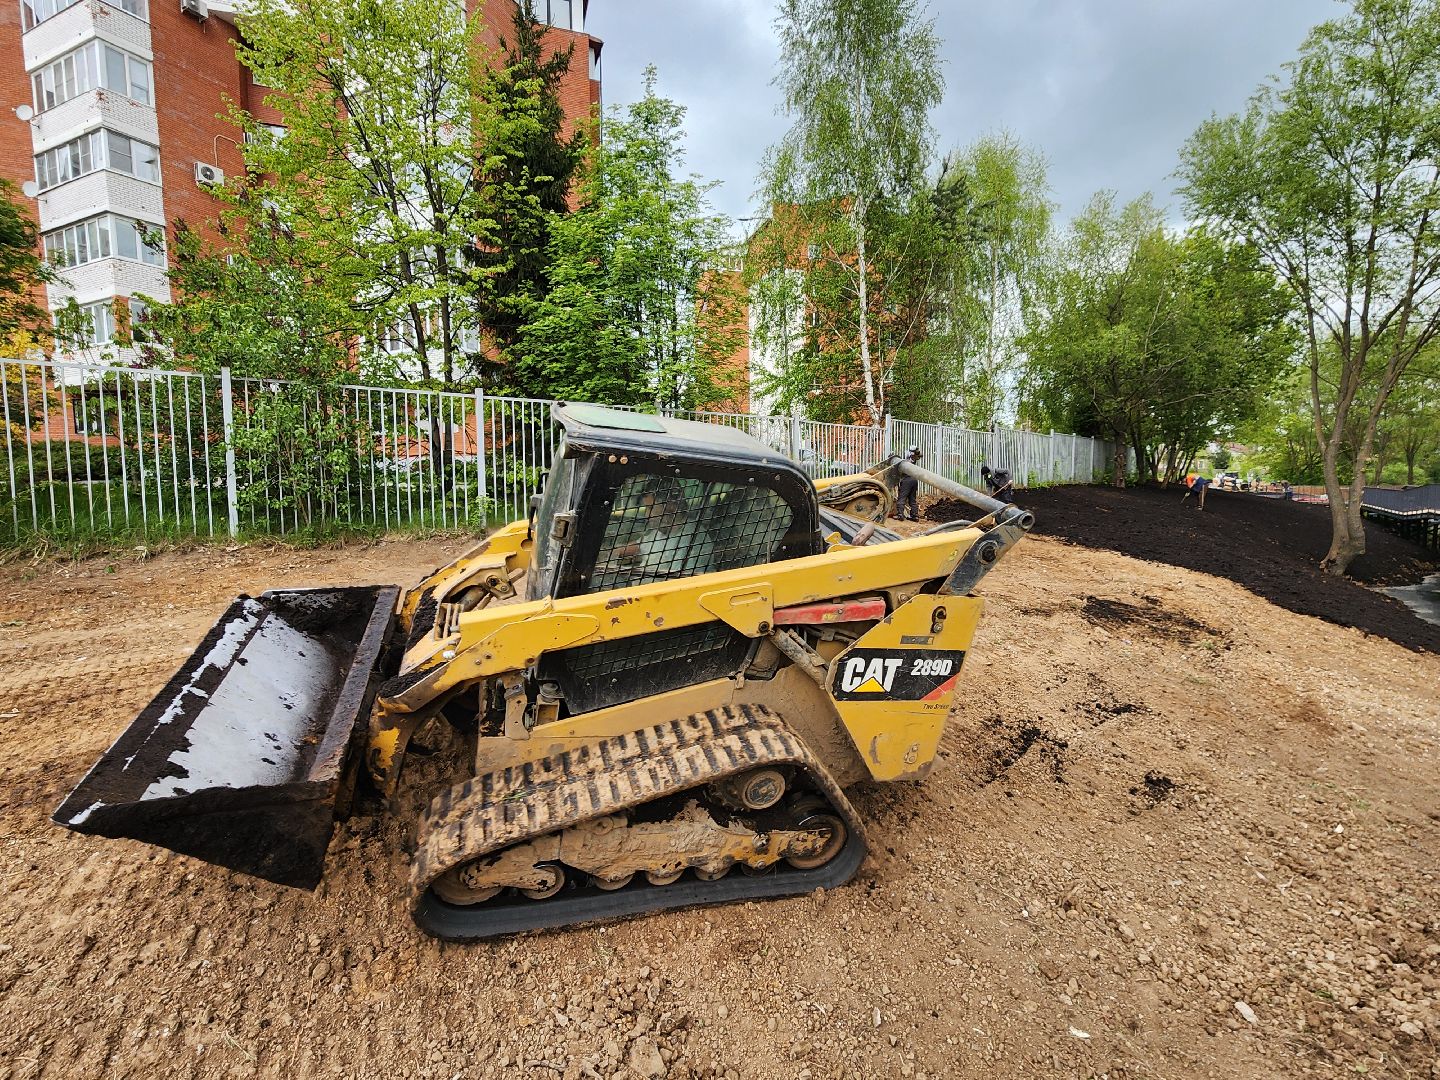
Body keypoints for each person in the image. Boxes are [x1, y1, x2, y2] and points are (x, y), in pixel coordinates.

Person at [896, 445, 922, 521]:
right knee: (912, 499)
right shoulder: (914, 459)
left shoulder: (908, 458)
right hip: (914, 480)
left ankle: (900, 514)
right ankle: (915, 516)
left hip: (907, 480)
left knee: (902, 497)